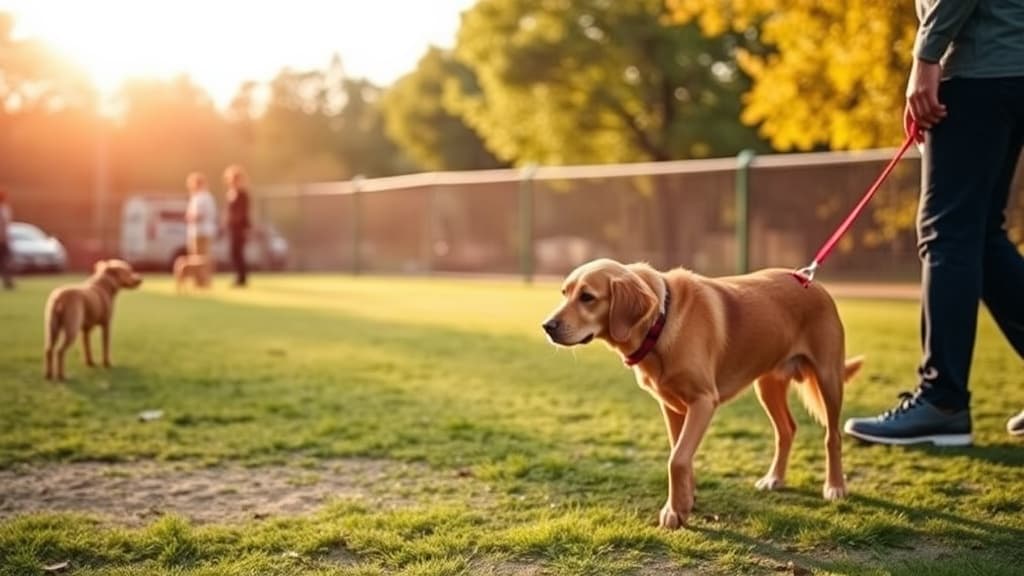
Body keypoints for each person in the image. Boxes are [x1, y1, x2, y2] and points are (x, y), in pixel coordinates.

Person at [845, 0, 1024, 444]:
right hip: (1006, 66)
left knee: (947, 233)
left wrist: (926, 56)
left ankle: (942, 401)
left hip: (978, 68)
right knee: (981, 235)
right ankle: (943, 402)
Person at [185, 172, 217, 287]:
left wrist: (191, 217)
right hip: (195, 232)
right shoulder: (196, 197)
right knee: (195, 257)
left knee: (202, 258)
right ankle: (198, 281)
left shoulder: (204, 197)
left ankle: (205, 281)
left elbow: (200, 215)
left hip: (203, 232)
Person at [223, 165, 251, 287]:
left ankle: (241, 278)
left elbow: (242, 213)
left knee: (238, 252)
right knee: (234, 252)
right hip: (232, 228)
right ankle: (239, 276)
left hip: (240, 228)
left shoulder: (242, 194)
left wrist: (235, 221)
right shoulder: (231, 193)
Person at [0, 189, 14, 290]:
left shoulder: (4, 209)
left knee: (5, 262)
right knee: (5, 262)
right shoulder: (4, 209)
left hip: (3, 239)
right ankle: (7, 282)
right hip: (3, 240)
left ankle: (7, 282)